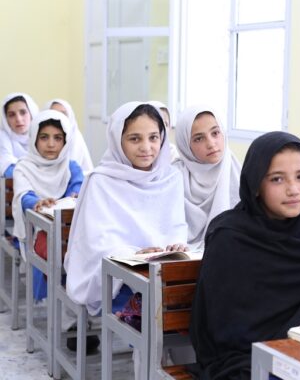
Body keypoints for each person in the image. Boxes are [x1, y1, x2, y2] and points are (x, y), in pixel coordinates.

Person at [189, 131, 300, 379]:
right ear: (255, 185)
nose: (293, 190)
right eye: (277, 179)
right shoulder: (230, 237)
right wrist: (276, 353)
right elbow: (221, 327)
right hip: (243, 359)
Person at [64, 102, 187, 370]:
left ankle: (173, 367)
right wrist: (133, 253)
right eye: (134, 139)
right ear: (117, 140)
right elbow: (96, 242)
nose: (146, 147)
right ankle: (151, 367)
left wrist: (176, 244)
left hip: (162, 272)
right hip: (119, 278)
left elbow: (176, 226)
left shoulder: (171, 178)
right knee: (153, 315)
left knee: (189, 306)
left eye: (153, 137)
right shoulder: (100, 181)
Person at [11, 109, 83, 300]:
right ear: (34, 139)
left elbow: (77, 191)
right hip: (35, 230)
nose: (51, 144)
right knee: (57, 250)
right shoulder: (23, 167)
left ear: (65, 142)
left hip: (69, 231)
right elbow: (23, 196)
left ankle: (77, 299)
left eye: (58, 138)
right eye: (44, 137)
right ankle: (59, 300)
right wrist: (38, 202)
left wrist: (73, 197)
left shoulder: (71, 166)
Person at [173, 104, 241, 250]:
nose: (211, 144)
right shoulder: (175, 176)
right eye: (198, 139)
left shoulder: (236, 170)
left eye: (215, 133)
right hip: (180, 254)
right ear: (185, 145)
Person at [44, 98, 94, 172]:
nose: (59, 118)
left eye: (63, 114)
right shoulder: (39, 139)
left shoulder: (76, 140)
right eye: (54, 114)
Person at [0, 92, 39, 177]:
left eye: (23, 112)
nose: (18, 119)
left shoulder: (42, 135)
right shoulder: (2, 137)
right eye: (11, 115)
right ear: (6, 119)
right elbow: (5, 166)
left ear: (31, 113)